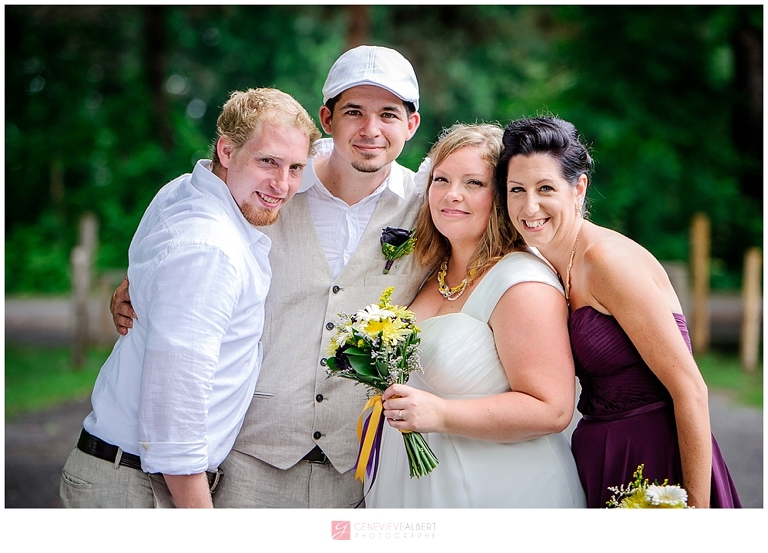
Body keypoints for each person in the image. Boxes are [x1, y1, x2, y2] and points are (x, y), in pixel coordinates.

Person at [110, 45, 429, 507]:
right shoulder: (271, 181)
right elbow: (181, 222)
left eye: (389, 114)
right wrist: (134, 284)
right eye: (354, 111)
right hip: (248, 462)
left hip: (358, 469)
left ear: (411, 124)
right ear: (327, 117)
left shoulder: (431, 204)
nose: (370, 129)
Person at [60, 88, 320, 508]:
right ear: (227, 151)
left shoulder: (184, 189)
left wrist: (136, 291)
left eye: (295, 167)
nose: (282, 184)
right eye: (268, 161)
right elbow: (172, 411)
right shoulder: (211, 249)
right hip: (139, 487)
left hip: (127, 473)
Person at [495, 115, 741, 508]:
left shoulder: (607, 263)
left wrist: (695, 512)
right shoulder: (544, 265)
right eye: (516, 190)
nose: (529, 206)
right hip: (601, 457)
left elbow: (691, 390)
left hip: (659, 459)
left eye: (545, 188)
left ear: (578, 188)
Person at [367, 123, 587, 508]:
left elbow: (552, 409)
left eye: (473, 183)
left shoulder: (522, 281)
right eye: (442, 179)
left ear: (501, 195)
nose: (452, 195)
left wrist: (442, 414)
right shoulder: (426, 274)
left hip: (500, 493)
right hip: (421, 489)